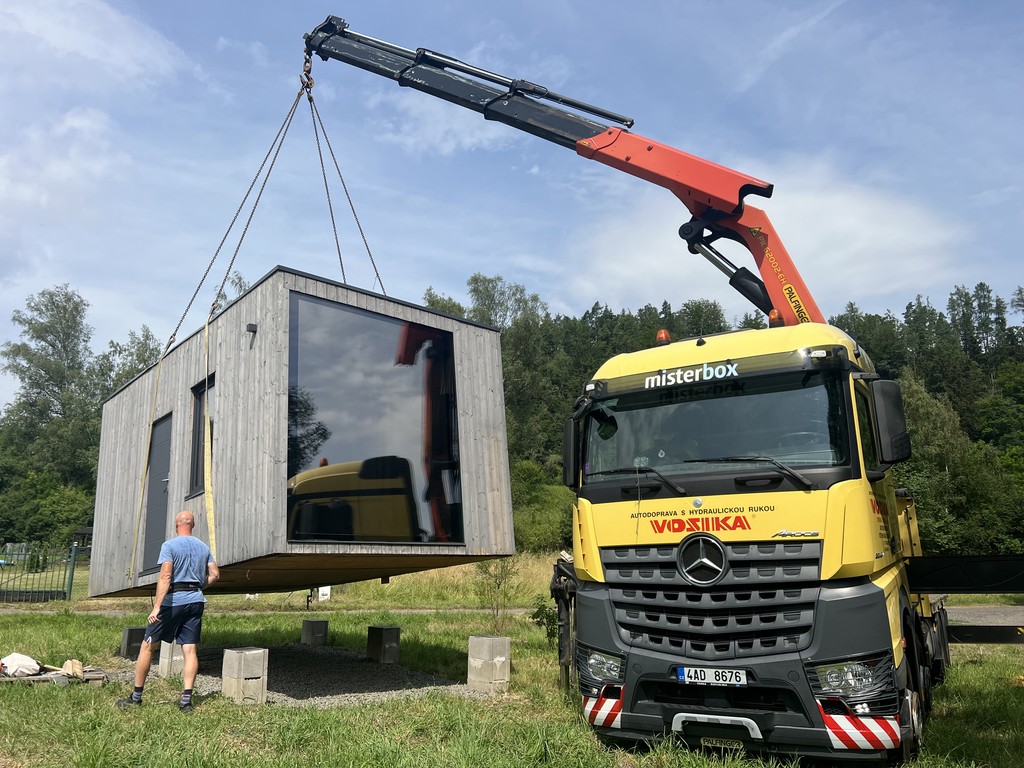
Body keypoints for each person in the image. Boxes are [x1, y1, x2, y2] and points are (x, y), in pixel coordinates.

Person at [117, 510, 219, 713]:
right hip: (196, 601)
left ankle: (136, 697)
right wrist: (198, 588)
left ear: (176, 525)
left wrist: (156, 606)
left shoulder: (169, 546)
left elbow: (165, 576)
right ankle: (186, 701)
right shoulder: (203, 547)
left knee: (148, 646)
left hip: (173, 602)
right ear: (193, 525)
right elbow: (215, 574)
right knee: (189, 650)